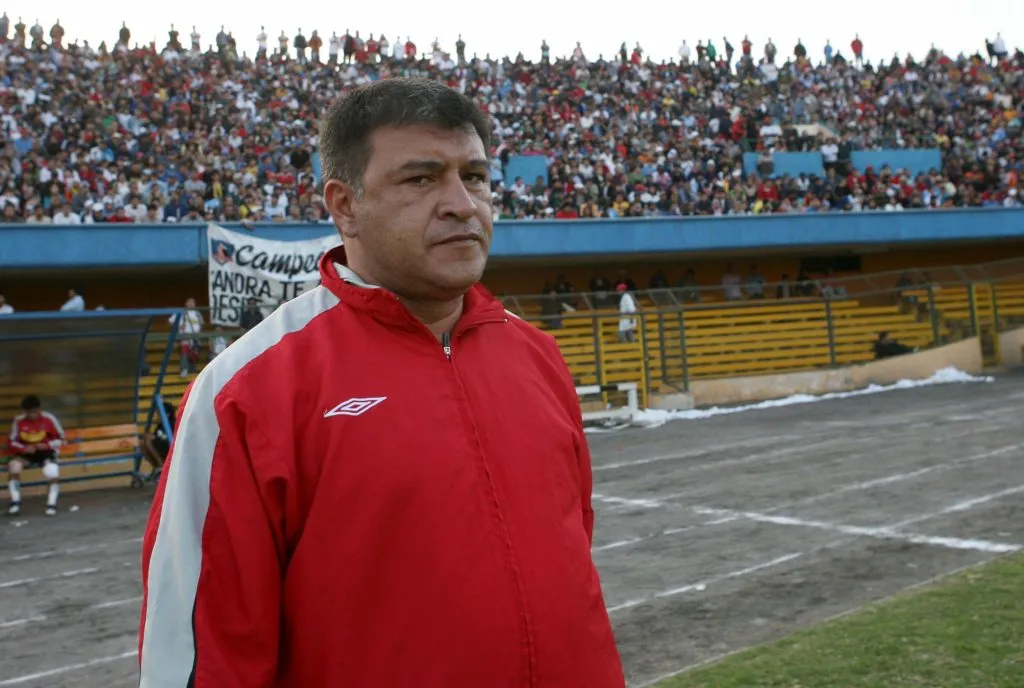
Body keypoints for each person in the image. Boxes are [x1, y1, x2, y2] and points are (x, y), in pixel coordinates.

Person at [138, 78, 625, 687]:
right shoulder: (244, 391)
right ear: (344, 205)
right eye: (421, 179)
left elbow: (573, 551)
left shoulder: (538, 355)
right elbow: (205, 657)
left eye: (473, 176)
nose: (461, 204)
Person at [6, 395, 65, 516]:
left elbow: (62, 438)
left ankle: (51, 504)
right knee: (14, 467)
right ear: (24, 411)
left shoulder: (49, 419)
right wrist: (24, 448)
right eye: (29, 412)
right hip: (26, 453)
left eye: (35, 411)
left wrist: (47, 445)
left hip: (45, 451)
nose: (32, 415)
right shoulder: (18, 421)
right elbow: (11, 441)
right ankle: (15, 502)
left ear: (39, 409)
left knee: (52, 471)